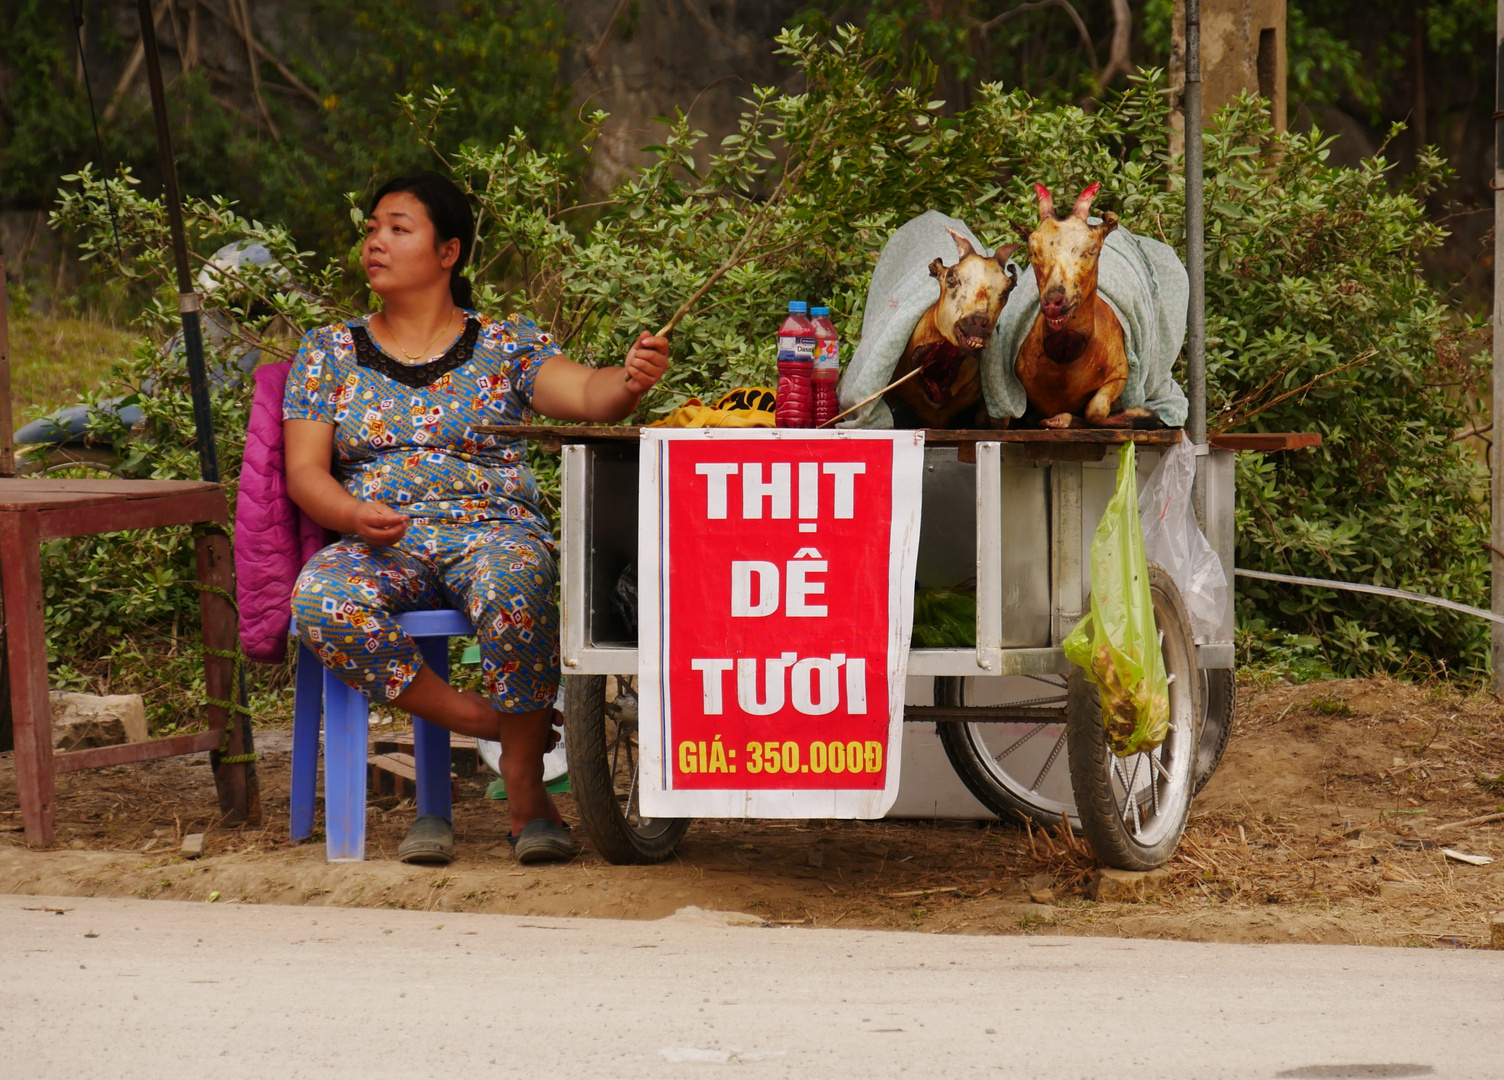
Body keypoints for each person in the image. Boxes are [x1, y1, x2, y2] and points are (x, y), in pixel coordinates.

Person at [284, 172, 668, 865]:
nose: (376, 241)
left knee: (518, 582)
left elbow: (587, 392)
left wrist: (630, 378)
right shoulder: (328, 351)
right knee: (320, 599)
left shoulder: (503, 346)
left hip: (491, 531)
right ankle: (496, 723)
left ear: (448, 252)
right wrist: (351, 510)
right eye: (372, 228)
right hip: (381, 537)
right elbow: (305, 471)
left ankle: (523, 787)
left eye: (399, 228)